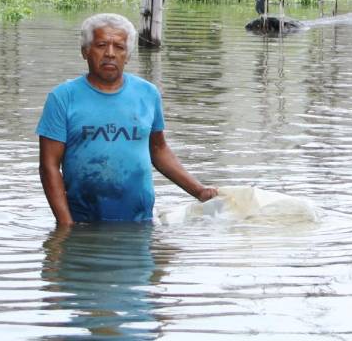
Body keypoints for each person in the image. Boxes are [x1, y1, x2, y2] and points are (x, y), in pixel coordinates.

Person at [37, 13, 217, 226]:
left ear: (128, 55)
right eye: (101, 45)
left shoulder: (148, 94)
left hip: (139, 222)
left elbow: (158, 149)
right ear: (85, 51)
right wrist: (66, 226)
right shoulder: (63, 97)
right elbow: (49, 166)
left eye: (119, 47)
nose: (110, 54)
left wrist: (199, 191)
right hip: (83, 223)